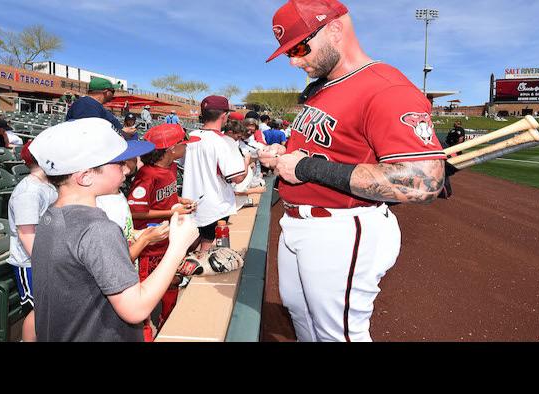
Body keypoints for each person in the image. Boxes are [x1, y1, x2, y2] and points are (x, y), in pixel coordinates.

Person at [259, 0, 446, 342]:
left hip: (342, 229)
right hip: (299, 224)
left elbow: (424, 182)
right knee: (302, 318)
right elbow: (326, 150)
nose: (294, 60)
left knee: (338, 335)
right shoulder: (323, 88)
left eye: (299, 48)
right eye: (288, 52)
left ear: (334, 29)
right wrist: (284, 155)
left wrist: (305, 167)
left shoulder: (384, 85)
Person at [28, 117, 198, 342]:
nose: (127, 170)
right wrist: (178, 246)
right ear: (85, 176)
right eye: (118, 163)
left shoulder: (50, 217)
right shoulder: (98, 229)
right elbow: (136, 309)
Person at [127, 123, 201, 340]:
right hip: (149, 247)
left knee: (172, 282)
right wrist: (171, 211)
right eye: (182, 144)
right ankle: (146, 333)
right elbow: (135, 212)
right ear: (170, 149)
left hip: (167, 239)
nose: (186, 147)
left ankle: (169, 323)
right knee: (145, 293)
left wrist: (179, 200)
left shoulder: (168, 169)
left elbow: (162, 199)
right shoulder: (147, 174)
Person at [182, 95, 248, 252]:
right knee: (207, 248)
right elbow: (237, 178)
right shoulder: (225, 141)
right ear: (224, 116)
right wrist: (246, 162)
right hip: (215, 204)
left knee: (189, 244)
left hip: (189, 200)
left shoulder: (190, 136)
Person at [7, 141, 57, 342]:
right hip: (30, 263)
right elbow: (26, 234)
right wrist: (45, 262)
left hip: (47, 258)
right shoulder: (28, 192)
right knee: (39, 312)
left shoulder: (48, 185)